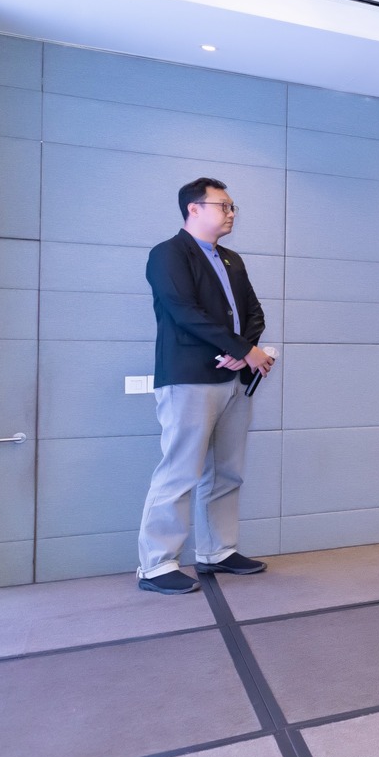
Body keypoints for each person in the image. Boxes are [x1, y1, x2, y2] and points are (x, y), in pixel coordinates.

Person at [134, 177, 274, 594]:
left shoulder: (231, 259)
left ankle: (218, 551)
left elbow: (253, 312)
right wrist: (242, 349)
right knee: (180, 472)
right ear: (193, 208)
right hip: (189, 377)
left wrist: (243, 352)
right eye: (223, 205)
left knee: (227, 471)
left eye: (232, 207)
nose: (231, 213)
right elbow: (184, 312)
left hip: (234, 379)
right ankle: (156, 565)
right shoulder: (168, 254)